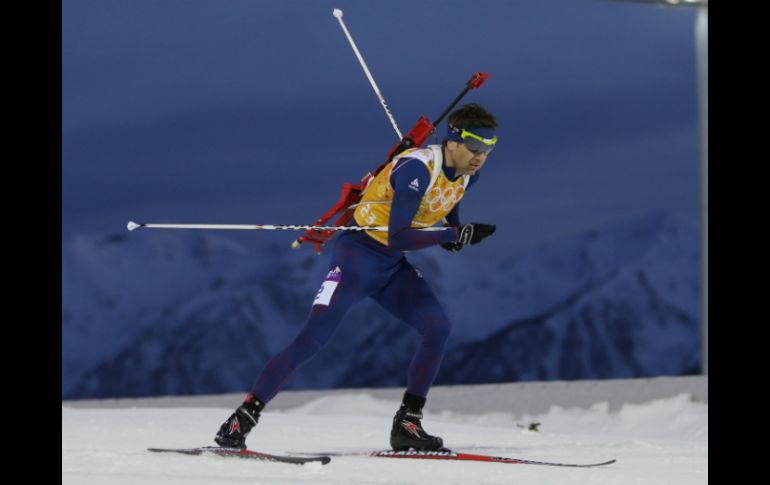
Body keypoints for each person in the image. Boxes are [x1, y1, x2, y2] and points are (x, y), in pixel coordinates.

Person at [215, 103, 499, 451]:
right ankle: (241, 420)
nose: (481, 157)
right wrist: (453, 236)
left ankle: (407, 425)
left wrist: (455, 227)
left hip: (393, 265)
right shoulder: (416, 169)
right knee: (313, 338)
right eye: (475, 148)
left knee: (437, 327)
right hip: (358, 257)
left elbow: (449, 197)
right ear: (453, 141)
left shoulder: (470, 173)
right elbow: (399, 235)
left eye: (489, 149)